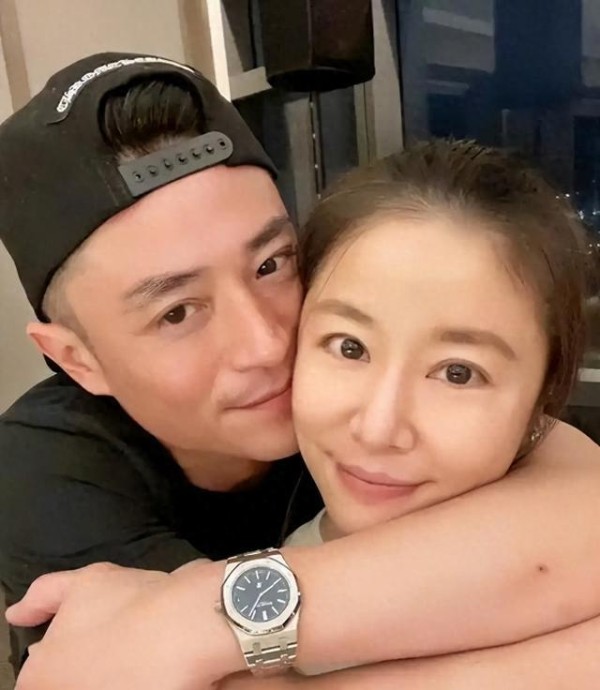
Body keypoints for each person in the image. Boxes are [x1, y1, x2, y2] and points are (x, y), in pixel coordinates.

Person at [2, 53, 600, 690]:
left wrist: (198, 617)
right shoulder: (43, 473)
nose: (266, 344)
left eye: (271, 266)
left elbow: (581, 510)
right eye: (176, 312)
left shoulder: (362, 392)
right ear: (79, 359)